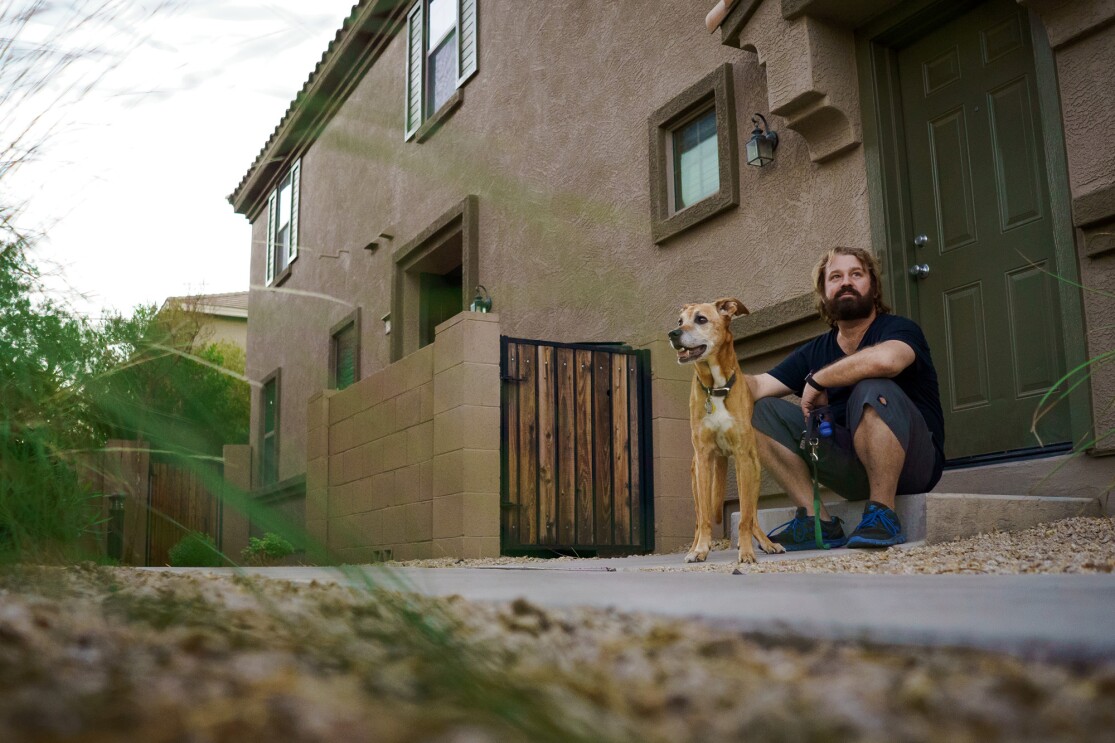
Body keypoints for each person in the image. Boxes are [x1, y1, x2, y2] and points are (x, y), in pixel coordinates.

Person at [746, 246, 945, 549]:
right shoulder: (815, 350)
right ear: (824, 293)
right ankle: (818, 522)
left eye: (856, 274)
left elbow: (886, 361)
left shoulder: (900, 329)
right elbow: (758, 385)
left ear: (873, 285)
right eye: (835, 277)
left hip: (915, 464)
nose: (846, 282)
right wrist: (715, 381)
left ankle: (883, 513)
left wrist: (818, 378)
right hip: (853, 471)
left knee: (871, 386)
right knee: (759, 412)